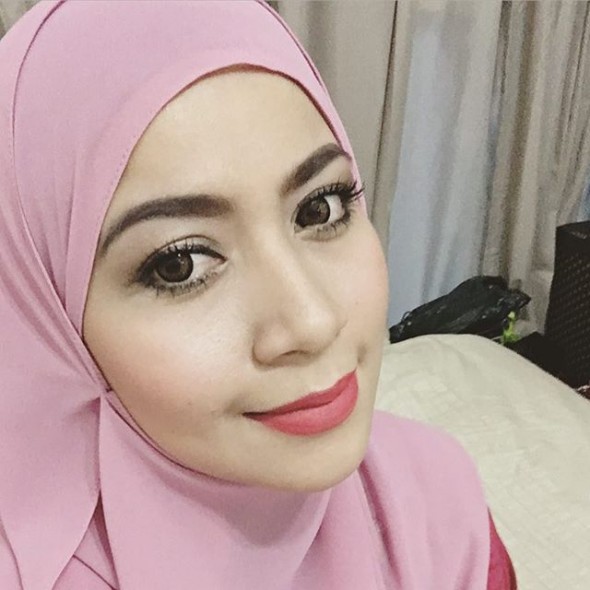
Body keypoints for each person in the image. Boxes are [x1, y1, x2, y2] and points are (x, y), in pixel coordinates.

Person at [0, 1, 516, 588]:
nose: (312, 322)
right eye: (180, 264)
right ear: (46, 326)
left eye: (320, 208)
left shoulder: (436, 508)